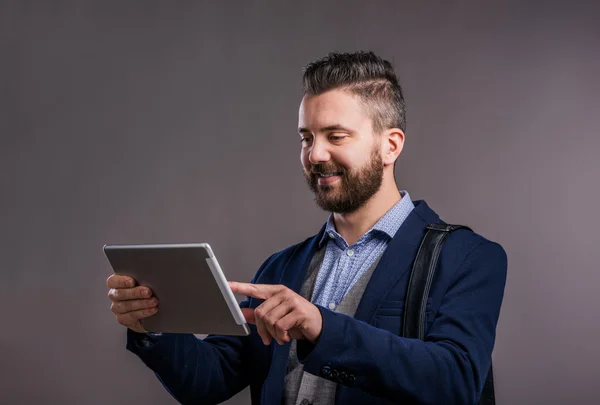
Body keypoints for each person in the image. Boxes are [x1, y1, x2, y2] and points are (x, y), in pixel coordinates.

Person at [106, 51, 507, 405]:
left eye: (335, 136)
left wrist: (320, 325)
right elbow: (206, 382)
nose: (315, 154)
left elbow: (455, 382)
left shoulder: (468, 257)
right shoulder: (281, 268)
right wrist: (153, 325)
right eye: (306, 138)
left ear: (391, 145)